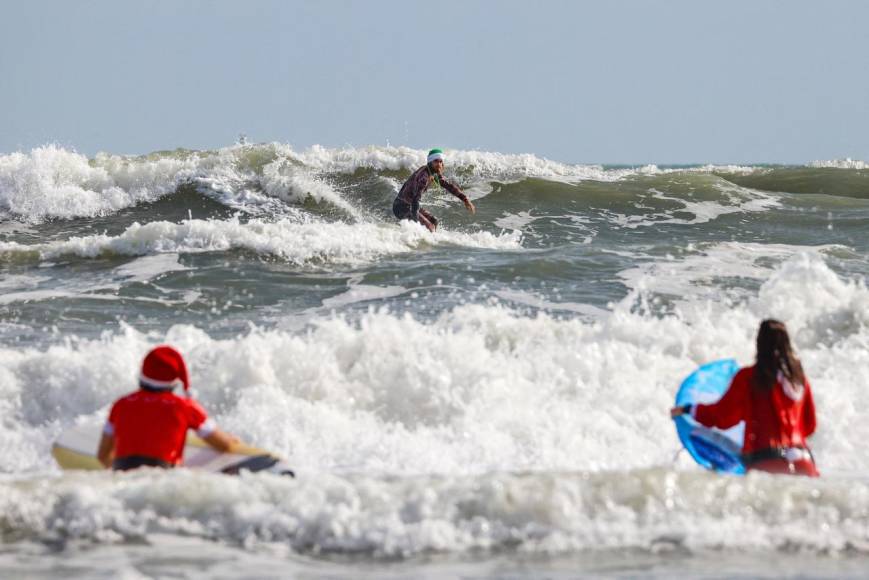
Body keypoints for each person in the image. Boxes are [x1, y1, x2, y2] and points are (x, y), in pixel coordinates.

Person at [671, 319, 819, 477]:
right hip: (804, 462)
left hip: (767, 462)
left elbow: (722, 417)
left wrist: (688, 409)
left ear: (759, 344)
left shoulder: (749, 377)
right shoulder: (799, 380)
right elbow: (809, 426)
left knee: (698, 434)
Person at [97, 345, 238, 471]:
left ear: (142, 374)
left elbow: (103, 455)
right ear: (174, 381)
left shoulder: (121, 404)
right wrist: (230, 439)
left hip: (124, 473)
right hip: (164, 476)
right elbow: (224, 446)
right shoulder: (185, 406)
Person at [393, 148, 475, 232]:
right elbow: (415, 200)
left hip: (410, 206)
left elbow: (448, 185)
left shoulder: (432, 172)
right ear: (430, 162)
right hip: (401, 207)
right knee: (429, 227)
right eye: (436, 161)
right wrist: (416, 223)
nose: (439, 164)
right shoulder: (424, 178)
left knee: (434, 222)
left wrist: (465, 199)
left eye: (440, 161)